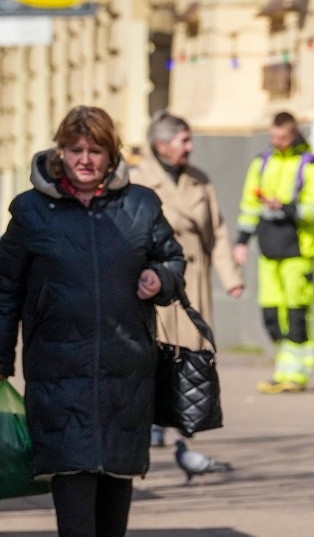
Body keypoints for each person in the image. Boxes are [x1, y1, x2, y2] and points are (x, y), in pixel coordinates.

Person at [0, 107, 186, 537]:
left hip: (126, 352)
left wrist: (161, 278)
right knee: (69, 457)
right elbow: (5, 287)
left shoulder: (140, 204)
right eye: (76, 150)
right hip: (57, 355)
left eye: (95, 151)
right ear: (60, 152)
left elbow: (172, 258)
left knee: (117, 458)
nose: (85, 160)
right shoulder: (31, 211)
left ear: (112, 154)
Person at [130, 110, 244, 447]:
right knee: (156, 348)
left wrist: (230, 276)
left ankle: (184, 412)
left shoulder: (199, 179)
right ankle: (153, 418)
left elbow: (217, 231)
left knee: (191, 352)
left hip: (193, 279)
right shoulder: (138, 180)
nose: (191, 147)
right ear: (161, 145)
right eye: (184, 141)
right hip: (156, 281)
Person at [234, 112, 314, 393]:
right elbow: (249, 206)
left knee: (296, 314)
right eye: (273, 136)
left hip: (298, 252)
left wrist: (285, 207)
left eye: (282, 137)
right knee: (272, 315)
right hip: (268, 252)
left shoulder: (312, 167)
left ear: (294, 134)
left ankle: (297, 374)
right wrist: (241, 241)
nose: (276, 142)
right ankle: (283, 367)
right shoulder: (261, 163)